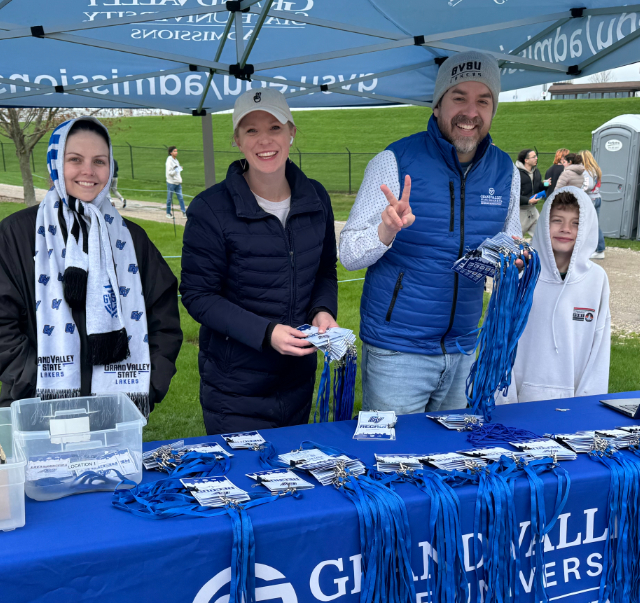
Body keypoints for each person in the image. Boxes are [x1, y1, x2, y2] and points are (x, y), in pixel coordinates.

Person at [339, 51, 522, 415]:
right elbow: (348, 254)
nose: (470, 112)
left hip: (464, 353)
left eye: (482, 101)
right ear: (437, 106)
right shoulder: (393, 161)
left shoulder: (506, 171)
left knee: (454, 466)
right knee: (393, 465)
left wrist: (513, 261)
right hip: (398, 353)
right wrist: (385, 231)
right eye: (459, 98)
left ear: (493, 110)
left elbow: (510, 247)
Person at [0, 117, 183, 415]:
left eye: (100, 161)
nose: (88, 171)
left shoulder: (132, 240)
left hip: (117, 414)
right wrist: (37, 382)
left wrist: (149, 386)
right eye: (75, 159)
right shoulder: (17, 234)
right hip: (38, 410)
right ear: (55, 165)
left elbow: (164, 321)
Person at [180, 89, 339, 433]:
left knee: (292, 480)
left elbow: (325, 270)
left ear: (292, 132)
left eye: (274, 127)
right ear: (237, 139)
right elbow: (198, 295)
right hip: (235, 387)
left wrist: (322, 311)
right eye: (251, 130)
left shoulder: (316, 197)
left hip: (297, 379)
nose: (264, 140)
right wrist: (266, 334)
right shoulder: (210, 208)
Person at [496, 187, 610, 404]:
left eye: (576, 223)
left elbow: (599, 349)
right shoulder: (520, 273)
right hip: (518, 402)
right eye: (557, 220)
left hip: (573, 406)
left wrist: (588, 407)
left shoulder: (596, 280)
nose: (566, 229)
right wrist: (504, 403)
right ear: (544, 223)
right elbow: (500, 341)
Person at [578, 150, 606, 260]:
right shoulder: (596, 170)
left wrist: (578, 190)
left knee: (589, 226)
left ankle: (598, 249)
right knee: (594, 224)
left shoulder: (586, 170)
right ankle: (597, 249)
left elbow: (588, 185)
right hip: (597, 197)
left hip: (590, 198)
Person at [516, 148, 543, 236]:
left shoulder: (536, 172)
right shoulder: (516, 174)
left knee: (541, 236)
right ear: (526, 160)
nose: (536, 158)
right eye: (533, 157)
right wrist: (528, 201)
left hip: (533, 210)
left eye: (536, 156)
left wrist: (544, 185)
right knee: (515, 239)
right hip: (520, 212)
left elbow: (537, 188)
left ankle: (536, 250)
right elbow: (512, 194)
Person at [165, 146, 186, 218]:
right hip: (171, 183)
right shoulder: (169, 161)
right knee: (169, 198)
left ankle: (184, 212)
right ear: (171, 153)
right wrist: (177, 169)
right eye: (174, 151)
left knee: (180, 197)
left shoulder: (176, 160)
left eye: (176, 151)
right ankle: (168, 213)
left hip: (178, 182)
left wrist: (179, 169)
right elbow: (169, 172)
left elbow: (177, 170)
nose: (176, 153)